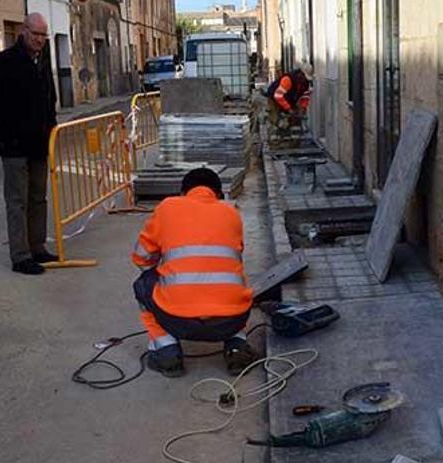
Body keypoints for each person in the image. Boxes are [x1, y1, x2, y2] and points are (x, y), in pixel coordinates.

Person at [131, 169, 260, 378]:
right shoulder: (231, 213)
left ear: (183, 192)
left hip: (176, 320)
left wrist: (163, 270)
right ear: (218, 195)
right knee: (236, 283)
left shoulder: (167, 208)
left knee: (143, 284)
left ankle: (167, 351)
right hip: (231, 320)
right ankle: (236, 347)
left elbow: (140, 258)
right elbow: (236, 255)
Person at [0, 13, 58, 275]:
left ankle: (37, 247)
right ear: (23, 31)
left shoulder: (42, 61)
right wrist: (9, 131)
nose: (40, 40)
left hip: (39, 146)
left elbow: (50, 98)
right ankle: (20, 256)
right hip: (14, 147)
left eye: (43, 36)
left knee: (38, 198)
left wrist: (51, 128)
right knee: (17, 201)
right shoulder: (4, 63)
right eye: (36, 34)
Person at [265, 62, 312, 142]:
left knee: (295, 119)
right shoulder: (288, 80)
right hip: (274, 98)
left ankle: (293, 141)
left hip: (289, 99)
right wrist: (289, 109)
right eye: (304, 77)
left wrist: (302, 109)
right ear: (300, 74)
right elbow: (278, 96)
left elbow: (305, 97)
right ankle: (275, 142)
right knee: (276, 119)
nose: (305, 80)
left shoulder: (305, 83)